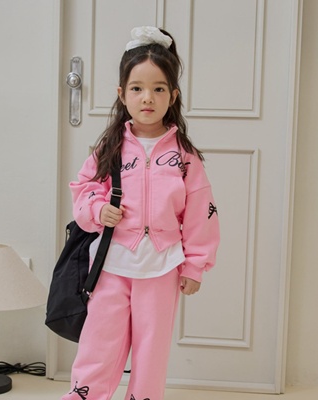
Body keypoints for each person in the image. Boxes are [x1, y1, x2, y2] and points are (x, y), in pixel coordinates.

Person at [61, 26, 220, 400]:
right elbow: (83, 189)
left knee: (151, 352)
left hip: (162, 267)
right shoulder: (110, 147)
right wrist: (98, 209)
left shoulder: (184, 156)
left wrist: (195, 265)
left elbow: (201, 212)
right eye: (137, 88)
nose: (147, 97)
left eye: (158, 88)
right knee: (99, 345)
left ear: (173, 95)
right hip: (111, 264)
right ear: (122, 94)